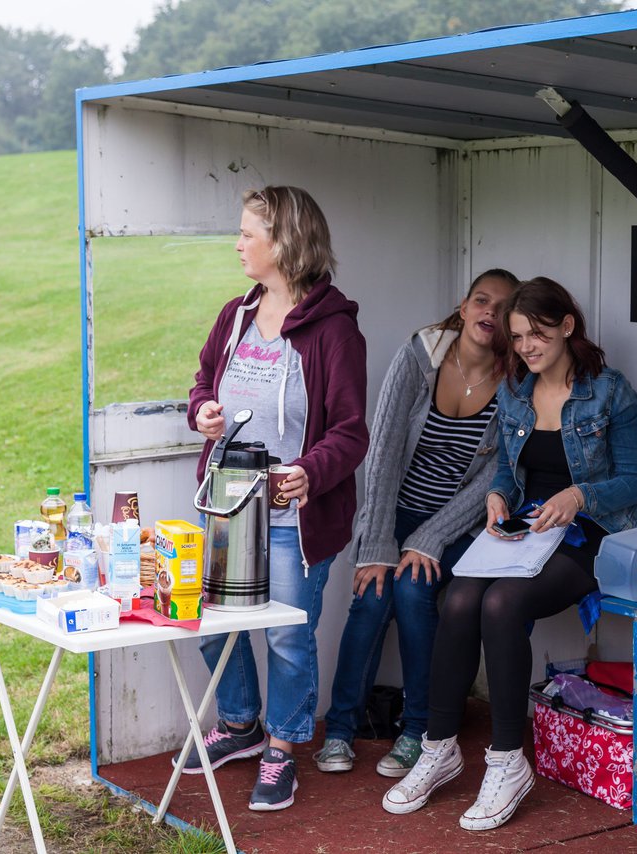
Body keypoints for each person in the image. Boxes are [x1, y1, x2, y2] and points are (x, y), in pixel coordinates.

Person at [382, 277, 637, 831]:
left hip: (593, 536)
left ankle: (507, 761)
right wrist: (500, 494)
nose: (527, 346)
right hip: (529, 529)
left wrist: (579, 497)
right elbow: (508, 468)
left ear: (568, 326)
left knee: (502, 604)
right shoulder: (516, 392)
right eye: (519, 336)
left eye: (538, 333)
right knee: (458, 598)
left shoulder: (610, 392)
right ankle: (439, 746)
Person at [185, 185, 368, 811]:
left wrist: (311, 472)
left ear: (284, 242)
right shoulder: (234, 314)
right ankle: (240, 725)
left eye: (247, 234)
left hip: (293, 513)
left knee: (289, 636)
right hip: (226, 504)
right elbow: (204, 379)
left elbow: (351, 431)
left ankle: (282, 750)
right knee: (214, 627)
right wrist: (202, 412)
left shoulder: (335, 330)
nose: (237, 244)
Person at [314, 269, 519, 779]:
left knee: (411, 589)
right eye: (482, 300)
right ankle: (340, 728)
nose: (489, 312)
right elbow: (381, 453)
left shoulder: (516, 382)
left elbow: (498, 474)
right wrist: (377, 542)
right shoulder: (419, 357)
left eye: (503, 306)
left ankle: (421, 732)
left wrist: (430, 537)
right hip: (394, 511)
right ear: (465, 305)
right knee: (372, 595)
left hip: (458, 526)